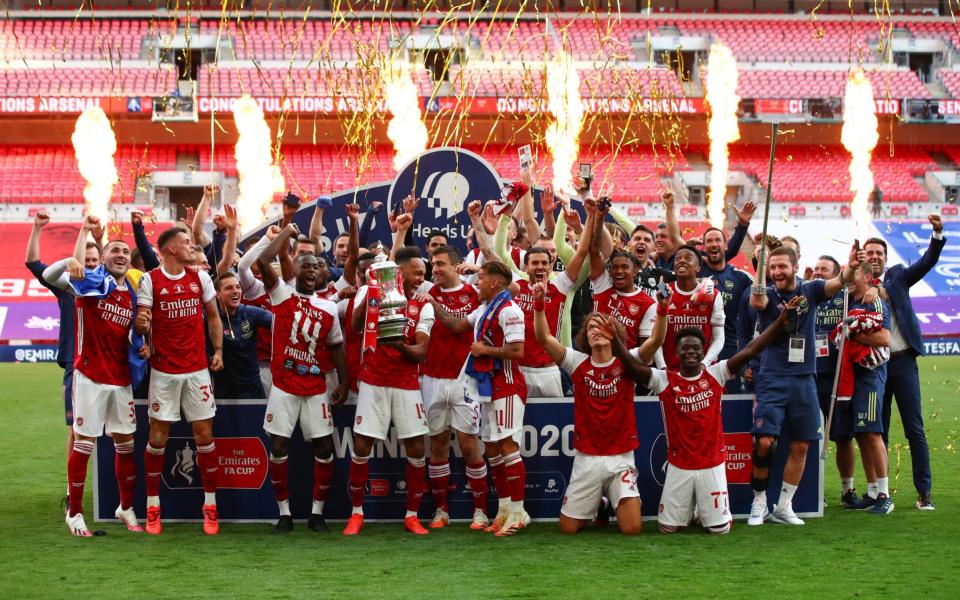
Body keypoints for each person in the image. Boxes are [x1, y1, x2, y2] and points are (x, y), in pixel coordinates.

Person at [606, 296, 800, 535]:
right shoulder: (665, 380)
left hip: (712, 463)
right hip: (679, 465)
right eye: (685, 348)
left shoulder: (716, 374)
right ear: (676, 351)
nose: (690, 352)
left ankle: (704, 508)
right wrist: (615, 340)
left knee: (719, 530)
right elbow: (634, 368)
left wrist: (780, 322)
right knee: (668, 529)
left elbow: (751, 349)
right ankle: (692, 507)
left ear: (703, 351)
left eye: (695, 348)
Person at [533, 285, 669, 535]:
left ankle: (610, 500)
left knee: (632, 529)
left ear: (614, 333)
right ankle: (600, 502)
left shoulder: (627, 361)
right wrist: (539, 305)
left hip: (621, 457)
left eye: (602, 326)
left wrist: (662, 309)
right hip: (588, 457)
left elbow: (656, 340)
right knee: (568, 528)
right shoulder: (578, 362)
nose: (595, 331)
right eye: (591, 328)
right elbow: (544, 338)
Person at [42, 222, 147, 536]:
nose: (121, 255)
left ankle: (125, 508)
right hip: (89, 375)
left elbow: (131, 338)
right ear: (102, 257)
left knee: (126, 445)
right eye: (114, 250)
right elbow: (49, 276)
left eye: (125, 251)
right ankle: (74, 512)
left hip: (120, 378)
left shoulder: (131, 293)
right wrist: (68, 260)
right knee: (85, 443)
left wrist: (142, 341)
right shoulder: (88, 282)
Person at [747, 243, 859, 526]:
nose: (777, 272)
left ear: (796, 267)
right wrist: (761, 265)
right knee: (764, 442)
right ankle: (758, 502)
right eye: (773, 267)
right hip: (772, 378)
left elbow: (839, 282)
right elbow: (756, 302)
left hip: (804, 378)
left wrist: (850, 267)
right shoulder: (766, 293)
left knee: (801, 444)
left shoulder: (810, 290)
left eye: (782, 266)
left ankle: (784, 506)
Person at [256, 224, 348, 533]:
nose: (311, 270)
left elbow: (336, 347)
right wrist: (284, 232)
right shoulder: (281, 294)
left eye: (316, 267)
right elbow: (261, 261)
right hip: (284, 386)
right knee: (279, 447)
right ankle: (284, 513)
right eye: (305, 265)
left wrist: (344, 382)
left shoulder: (328, 307)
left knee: (323, 448)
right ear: (295, 270)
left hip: (316, 387)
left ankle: (317, 513)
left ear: (322, 275)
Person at [135, 227, 225, 535]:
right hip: (164, 372)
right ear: (171, 248)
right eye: (186, 242)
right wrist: (143, 328)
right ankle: (152, 506)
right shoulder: (150, 280)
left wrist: (218, 350)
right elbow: (142, 322)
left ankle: (210, 506)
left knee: (204, 436)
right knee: (157, 438)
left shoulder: (199, 278)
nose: (192, 245)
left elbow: (213, 316)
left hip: (197, 369)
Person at [429, 260, 528, 536]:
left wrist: (485, 350)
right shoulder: (485, 308)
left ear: (494, 282)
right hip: (488, 388)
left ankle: (519, 514)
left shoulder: (509, 310)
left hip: (507, 385)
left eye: (481, 277)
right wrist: (433, 303)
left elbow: (518, 351)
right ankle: (505, 511)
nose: (476, 282)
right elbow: (457, 325)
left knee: (508, 447)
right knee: (493, 450)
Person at [344, 248, 434, 536]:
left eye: (423, 273)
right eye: (417, 272)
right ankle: (356, 514)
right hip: (374, 382)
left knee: (417, 448)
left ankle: (411, 515)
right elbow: (355, 328)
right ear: (401, 271)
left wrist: (397, 345)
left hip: (407, 385)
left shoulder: (423, 306)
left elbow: (420, 352)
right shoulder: (371, 292)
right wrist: (372, 295)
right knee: (361, 447)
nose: (422, 277)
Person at [863, 213, 945, 510]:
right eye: (870, 252)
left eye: (879, 253)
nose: (874, 256)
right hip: (874, 365)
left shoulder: (898, 276)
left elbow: (926, 263)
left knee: (914, 428)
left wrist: (936, 235)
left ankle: (924, 492)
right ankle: (878, 492)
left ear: (885, 258)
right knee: (876, 429)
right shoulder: (857, 285)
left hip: (903, 362)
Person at [24, 210, 101, 509]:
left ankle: (113, 494)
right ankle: (73, 492)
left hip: (109, 365)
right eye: (87, 260)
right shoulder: (67, 288)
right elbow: (34, 264)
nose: (91, 264)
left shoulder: (106, 287)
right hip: (76, 363)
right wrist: (37, 228)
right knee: (77, 429)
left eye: (96, 261)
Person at [419, 245, 490, 530]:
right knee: (436, 443)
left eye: (440, 264)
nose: (434, 269)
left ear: (457, 265)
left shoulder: (474, 294)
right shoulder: (425, 293)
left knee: (469, 444)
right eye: (432, 264)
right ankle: (440, 511)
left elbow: (460, 327)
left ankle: (481, 511)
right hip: (432, 378)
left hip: (465, 379)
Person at [493, 194, 592, 397]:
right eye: (535, 263)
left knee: (555, 422)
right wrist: (505, 216)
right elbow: (499, 252)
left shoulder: (561, 285)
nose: (540, 267)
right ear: (526, 266)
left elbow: (582, 252)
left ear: (550, 265)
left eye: (544, 263)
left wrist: (589, 219)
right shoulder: (517, 284)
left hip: (550, 369)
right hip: (520, 368)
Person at [833, 266, 893, 514]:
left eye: (852, 275)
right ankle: (872, 490)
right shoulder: (848, 302)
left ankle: (885, 495)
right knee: (861, 433)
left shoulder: (874, 302)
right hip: (853, 375)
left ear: (867, 278)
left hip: (870, 373)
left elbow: (884, 339)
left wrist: (852, 332)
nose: (848, 279)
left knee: (871, 432)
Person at [654, 245, 725, 371]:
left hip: (705, 370)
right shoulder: (663, 291)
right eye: (677, 258)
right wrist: (662, 368)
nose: (681, 260)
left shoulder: (713, 294)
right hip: (671, 370)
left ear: (698, 267)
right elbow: (654, 336)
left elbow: (718, 337)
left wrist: (704, 364)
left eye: (688, 258)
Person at [210, 271, 272, 400]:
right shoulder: (210, 319)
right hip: (224, 392)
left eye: (238, 287)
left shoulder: (251, 312)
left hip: (253, 389)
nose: (235, 291)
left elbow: (282, 322)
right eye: (229, 288)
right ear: (218, 295)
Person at [700, 227, 754, 369]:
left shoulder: (742, 278)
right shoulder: (694, 274)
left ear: (725, 245)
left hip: (731, 350)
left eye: (718, 240)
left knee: (731, 392)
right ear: (703, 247)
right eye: (709, 241)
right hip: (698, 349)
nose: (713, 244)